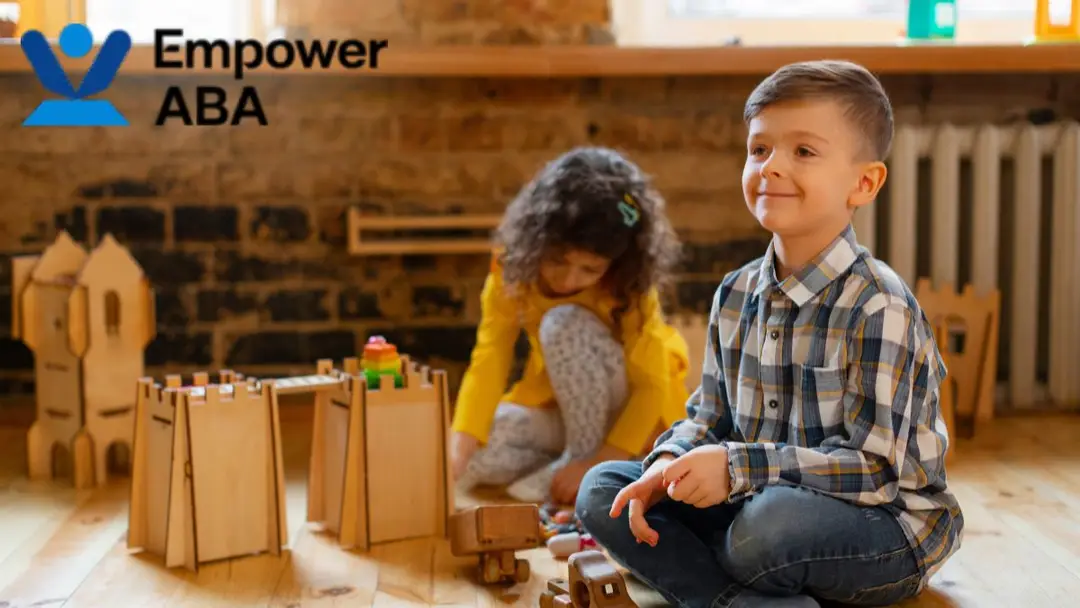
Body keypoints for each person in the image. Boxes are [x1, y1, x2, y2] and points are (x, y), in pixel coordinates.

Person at [575, 60, 963, 608]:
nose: (771, 167)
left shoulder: (880, 304)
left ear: (864, 182)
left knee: (766, 530)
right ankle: (744, 601)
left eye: (803, 152)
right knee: (604, 493)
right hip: (756, 501)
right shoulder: (734, 294)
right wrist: (668, 465)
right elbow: (708, 418)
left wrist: (736, 468)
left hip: (882, 528)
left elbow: (877, 472)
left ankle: (710, 581)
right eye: (759, 150)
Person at [450, 146, 690, 505]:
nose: (567, 279)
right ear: (537, 241)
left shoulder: (629, 286)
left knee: (562, 323)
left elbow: (651, 388)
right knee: (474, 461)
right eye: (557, 261)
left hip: (632, 415)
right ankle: (581, 465)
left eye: (589, 269)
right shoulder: (512, 270)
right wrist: (457, 450)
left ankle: (595, 464)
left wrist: (596, 460)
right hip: (562, 407)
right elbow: (490, 356)